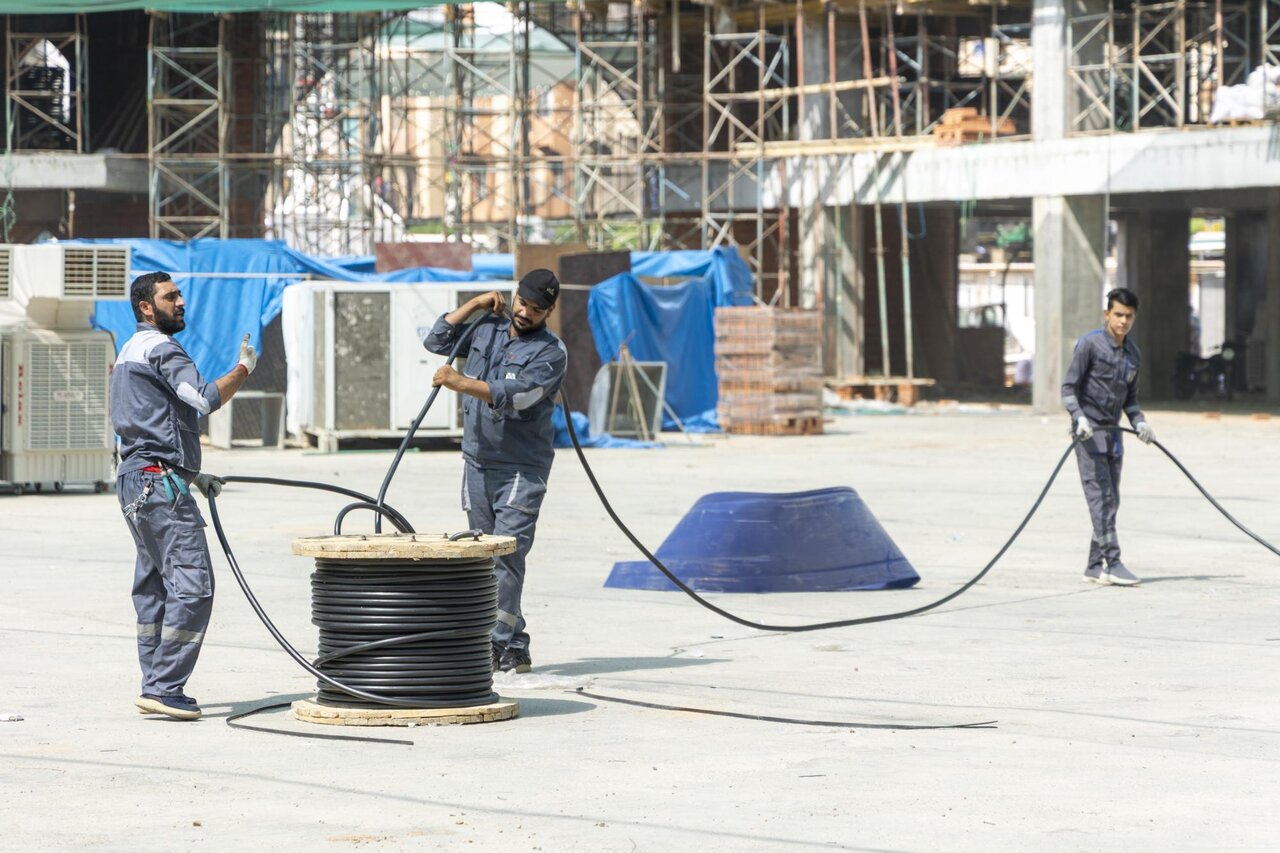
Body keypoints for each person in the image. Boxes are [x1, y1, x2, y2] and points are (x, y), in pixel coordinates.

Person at [112, 272, 257, 720]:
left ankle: (154, 684)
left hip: (139, 479)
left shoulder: (128, 351)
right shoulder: (161, 348)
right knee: (193, 586)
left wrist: (193, 475)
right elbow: (202, 399)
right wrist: (243, 370)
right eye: (170, 296)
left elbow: (148, 426)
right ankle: (164, 686)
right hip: (158, 484)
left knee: (155, 588)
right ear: (145, 308)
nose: (181, 302)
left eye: (179, 295)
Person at [422, 269, 568, 674]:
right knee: (484, 556)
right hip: (477, 461)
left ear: (550, 311)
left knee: (507, 554)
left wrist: (461, 382)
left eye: (537, 309)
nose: (525, 312)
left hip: (521, 469)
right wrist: (474, 305)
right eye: (522, 302)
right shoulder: (486, 327)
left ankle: (497, 641)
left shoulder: (550, 353)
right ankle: (512, 643)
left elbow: (519, 397)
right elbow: (436, 340)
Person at [1061, 287, 1155, 587]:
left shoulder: (1133, 354)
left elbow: (1131, 400)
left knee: (1111, 499)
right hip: (1089, 435)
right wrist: (1079, 418)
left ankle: (1092, 565)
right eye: (1118, 315)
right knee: (1100, 499)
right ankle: (1113, 562)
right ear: (1107, 314)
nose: (1123, 321)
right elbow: (1068, 389)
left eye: (1129, 316)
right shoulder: (1090, 345)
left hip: (1114, 436)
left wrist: (1140, 422)